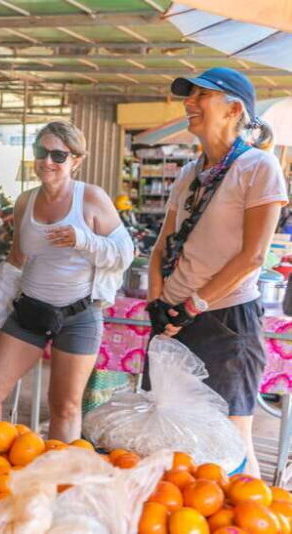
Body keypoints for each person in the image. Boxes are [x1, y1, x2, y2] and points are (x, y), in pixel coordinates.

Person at [146, 67, 287, 477]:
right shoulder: (189, 173)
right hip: (173, 319)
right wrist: (158, 304)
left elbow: (252, 256)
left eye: (201, 95)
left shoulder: (259, 167)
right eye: (188, 95)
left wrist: (193, 305)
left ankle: (252, 509)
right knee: (170, 437)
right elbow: (161, 248)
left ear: (234, 109)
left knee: (230, 445)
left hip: (225, 320)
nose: (188, 103)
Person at [0, 121, 133, 441]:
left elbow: (124, 255)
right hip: (30, 311)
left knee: (65, 407)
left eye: (58, 155)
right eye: (41, 152)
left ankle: (58, 470)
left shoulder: (92, 198)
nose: (47, 161)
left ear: (76, 160)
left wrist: (82, 240)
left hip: (79, 315)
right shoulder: (25, 201)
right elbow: (16, 259)